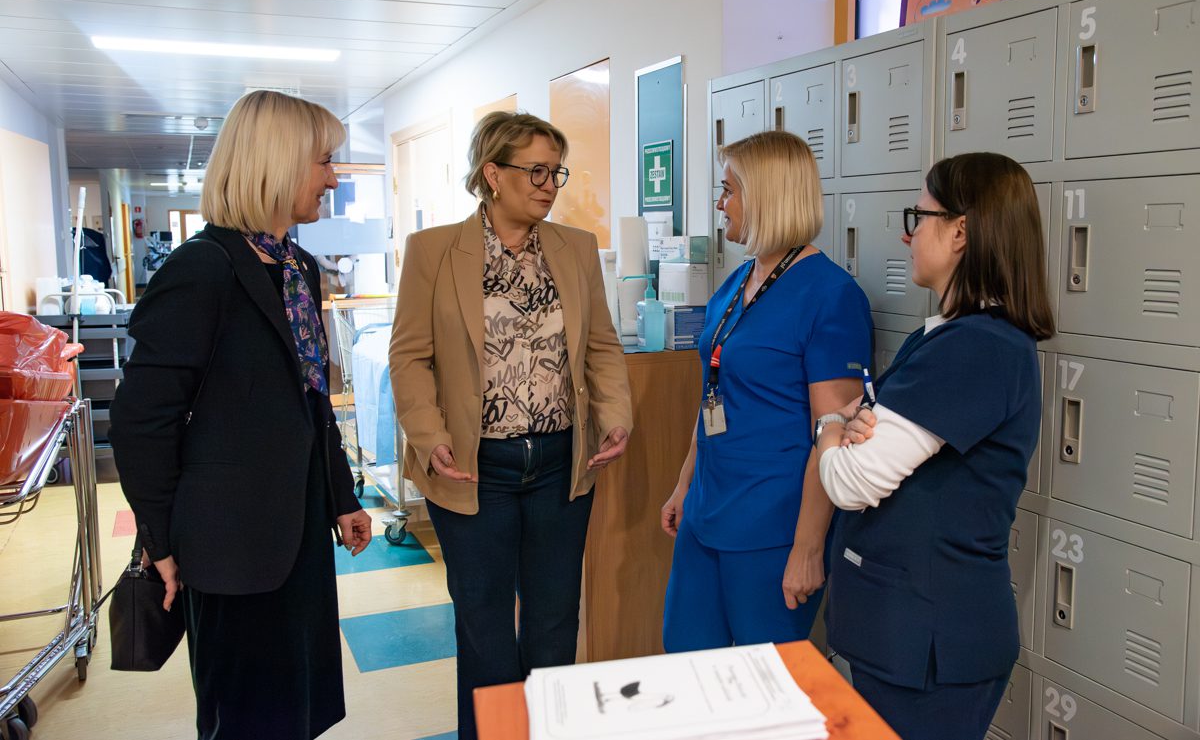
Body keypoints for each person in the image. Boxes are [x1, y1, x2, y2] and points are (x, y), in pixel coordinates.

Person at [109, 90, 372, 740]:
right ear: (277, 164)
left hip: (299, 531)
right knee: (246, 718)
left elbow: (312, 398)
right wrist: (161, 542)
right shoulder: (202, 269)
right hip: (229, 547)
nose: (332, 178)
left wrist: (342, 497)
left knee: (295, 708)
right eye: (323, 161)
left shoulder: (296, 268)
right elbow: (142, 421)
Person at [388, 111, 633, 740]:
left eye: (556, 173)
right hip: (474, 469)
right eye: (536, 172)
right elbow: (409, 355)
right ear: (492, 174)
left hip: (559, 464)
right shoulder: (435, 251)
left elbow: (601, 345)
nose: (550, 186)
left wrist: (614, 414)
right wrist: (429, 436)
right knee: (486, 630)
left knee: (553, 625)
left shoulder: (575, 249)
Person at [814, 152, 1055, 740]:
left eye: (918, 217)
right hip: (906, 634)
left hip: (932, 644)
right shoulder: (946, 336)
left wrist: (829, 427)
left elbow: (849, 481)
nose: (907, 233)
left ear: (960, 231)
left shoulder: (978, 347)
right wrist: (848, 429)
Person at [659, 130, 872, 651]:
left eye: (728, 190)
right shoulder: (736, 283)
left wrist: (808, 547)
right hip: (707, 511)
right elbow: (713, 394)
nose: (720, 203)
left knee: (762, 684)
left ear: (766, 196)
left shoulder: (831, 295)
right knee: (685, 663)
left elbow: (832, 435)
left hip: (771, 528)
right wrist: (685, 485)